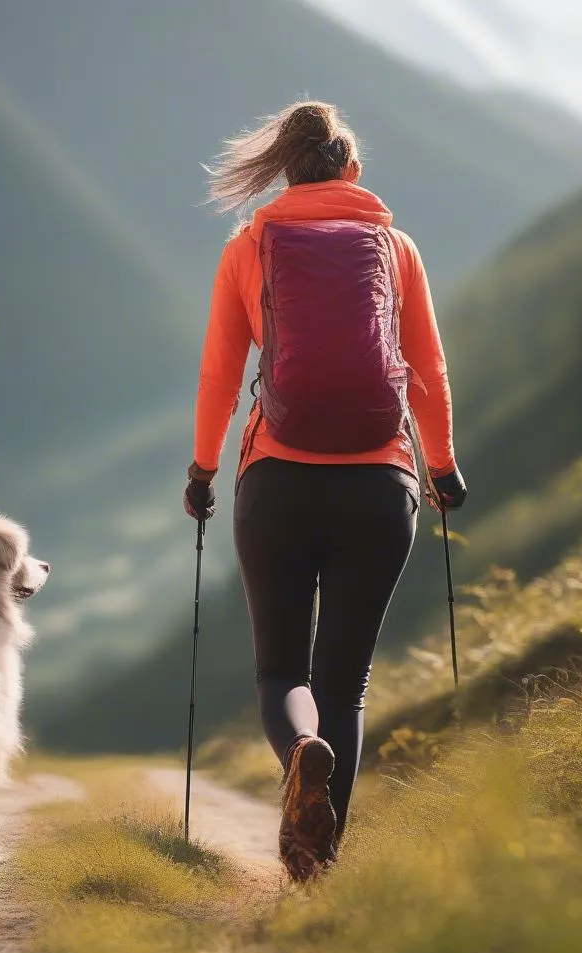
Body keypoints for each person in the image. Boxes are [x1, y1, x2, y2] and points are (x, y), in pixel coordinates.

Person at [184, 100, 466, 882]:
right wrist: (441, 468)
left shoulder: (250, 244)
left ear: (286, 172)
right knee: (346, 681)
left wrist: (203, 470)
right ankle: (319, 866)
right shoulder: (394, 245)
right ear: (349, 171)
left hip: (276, 480)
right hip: (380, 487)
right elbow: (428, 372)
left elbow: (219, 373)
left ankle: (300, 751)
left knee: (284, 675)